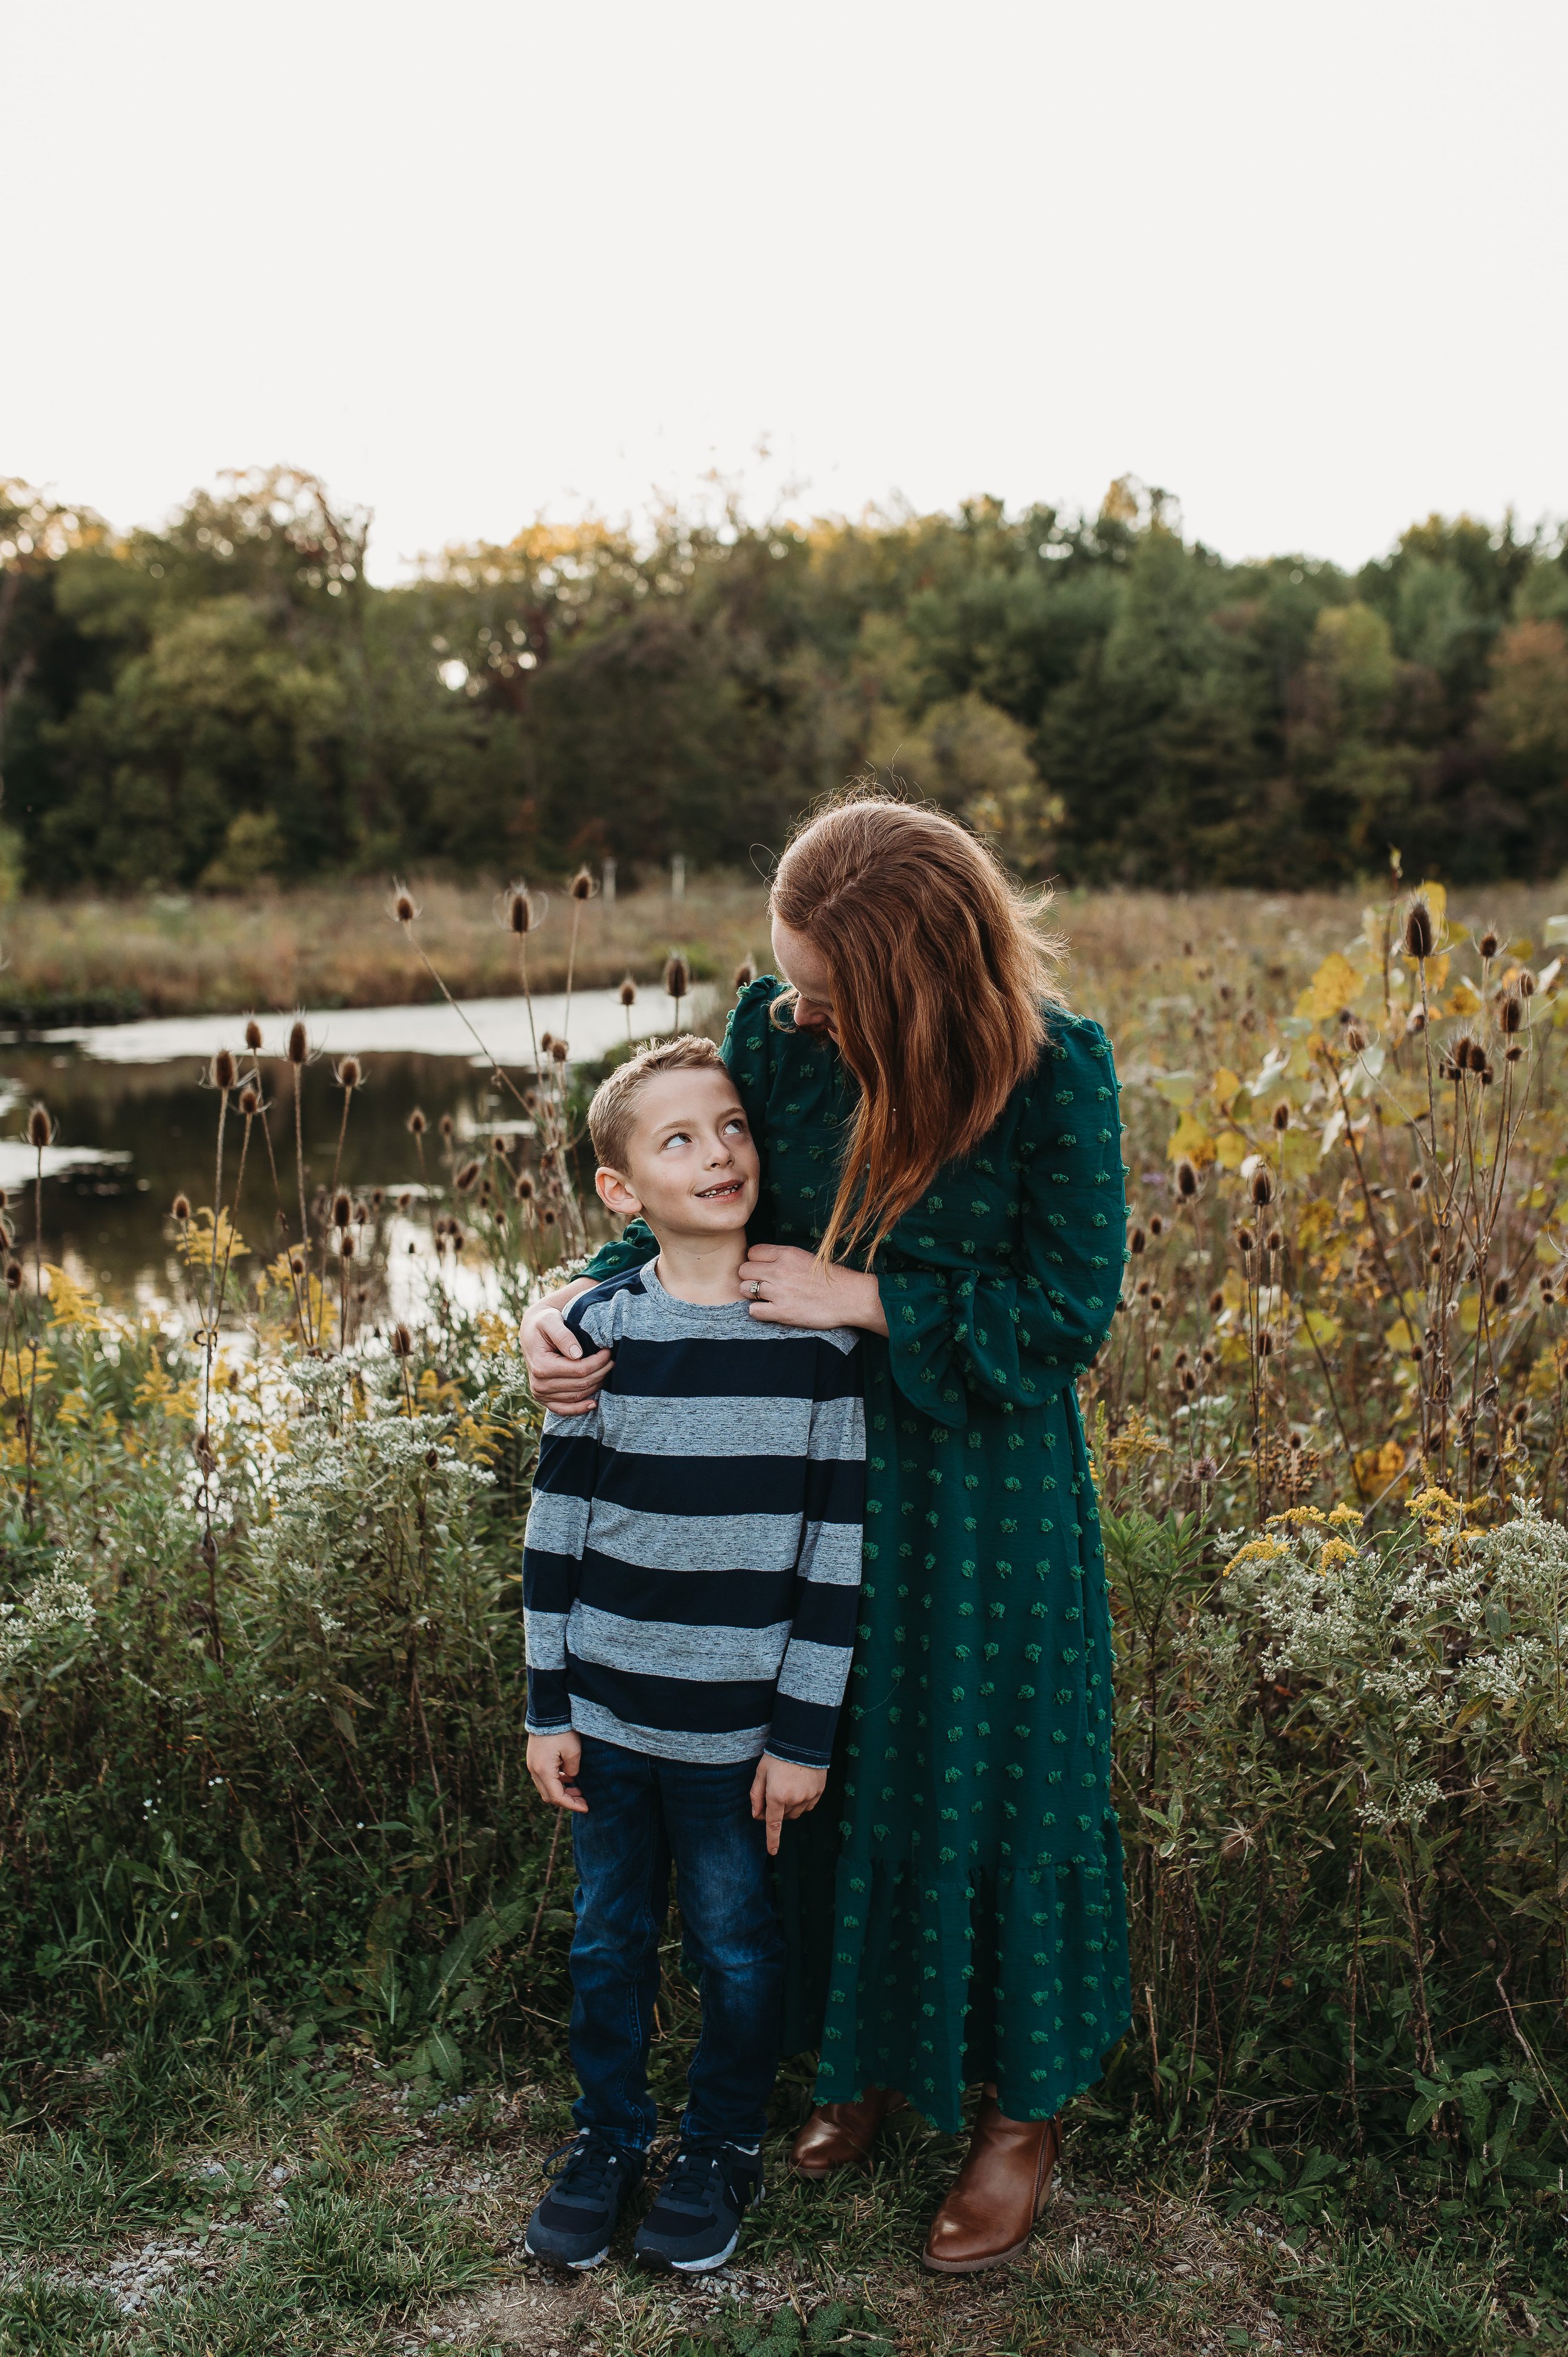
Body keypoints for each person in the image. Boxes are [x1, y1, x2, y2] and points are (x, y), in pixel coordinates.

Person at [524, 795, 1130, 2275]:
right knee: (827, 1771)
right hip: (791, 1480)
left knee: (985, 1780)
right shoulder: (773, 1033)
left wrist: (870, 1300)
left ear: (913, 981)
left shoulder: (1053, 1074)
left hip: (977, 1503)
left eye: (824, 981)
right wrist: (566, 1304)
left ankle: (1017, 2113)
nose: (792, 1001)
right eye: (785, 969)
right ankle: (855, 2063)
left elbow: (1063, 1320)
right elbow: (693, 1202)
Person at [521, 1033, 866, 2275]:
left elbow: (833, 1556)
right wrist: (542, 1706)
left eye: (729, 1125)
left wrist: (800, 1737)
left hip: (739, 1742)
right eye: (676, 1139)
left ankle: (719, 2143)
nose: (717, 1153)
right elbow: (554, 1532)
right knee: (607, 1937)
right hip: (607, 1721)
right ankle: (605, 2138)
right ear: (621, 1191)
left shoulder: (819, 1346)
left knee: (733, 1944)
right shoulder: (595, 1336)